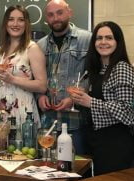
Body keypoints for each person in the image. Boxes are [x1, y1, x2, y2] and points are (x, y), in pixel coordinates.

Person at [70, 21, 134, 175]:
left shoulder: (122, 68)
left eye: (109, 38)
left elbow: (127, 112)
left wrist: (91, 102)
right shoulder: (98, 69)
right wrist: (80, 99)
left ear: (117, 42)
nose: (103, 42)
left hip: (115, 144)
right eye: (99, 38)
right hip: (96, 140)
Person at [37, 0, 92, 154]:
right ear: (46, 19)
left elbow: (94, 76)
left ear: (70, 12)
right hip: (48, 124)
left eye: (60, 12)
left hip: (77, 124)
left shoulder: (88, 39)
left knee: (78, 170)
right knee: (48, 170)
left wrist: (74, 98)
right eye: (51, 15)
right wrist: (40, 96)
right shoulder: (40, 45)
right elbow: (36, 78)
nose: (56, 18)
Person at [0, 5, 47, 128]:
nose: (15, 24)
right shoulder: (0, 50)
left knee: (22, 147)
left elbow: (42, 86)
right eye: (11, 19)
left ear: (26, 24)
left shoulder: (32, 48)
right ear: (5, 23)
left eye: (21, 20)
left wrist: (13, 79)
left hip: (23, 110)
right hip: (0, 109)